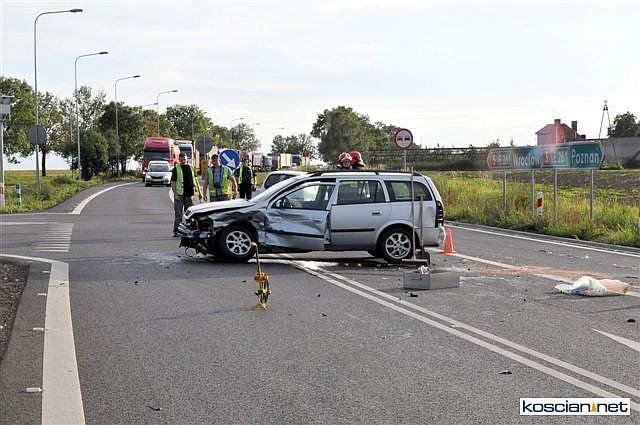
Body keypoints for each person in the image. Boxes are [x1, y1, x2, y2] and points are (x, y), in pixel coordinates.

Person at [171, 152, 202, 237]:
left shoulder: (191, 167)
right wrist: (175, 194)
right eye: (181, 159)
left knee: (190, 214)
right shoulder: (176, 169)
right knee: (178, 214)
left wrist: (199, 192)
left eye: (184, 159)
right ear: (179, 159)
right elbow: (173, 182)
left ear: (186, 159)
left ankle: (189, 231)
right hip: (179, 195)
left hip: (190, 195)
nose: (183, 160)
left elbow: (196, 180)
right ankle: (177, 231)